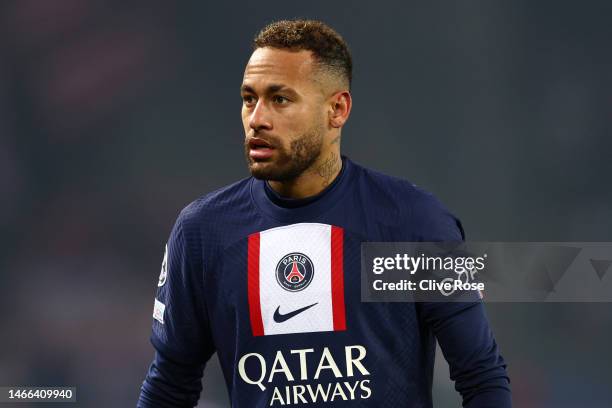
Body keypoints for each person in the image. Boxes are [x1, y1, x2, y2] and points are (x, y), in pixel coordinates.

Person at [138, 19, 511, 407]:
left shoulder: (412, 222)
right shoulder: (203, 232)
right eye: (249, 99)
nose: (257, 119)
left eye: (280, 99)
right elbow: (169, 385)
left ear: (337, 109)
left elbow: (481, 377)